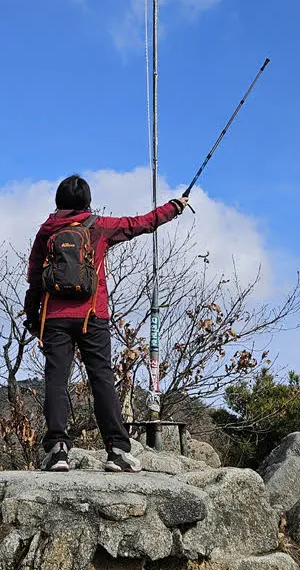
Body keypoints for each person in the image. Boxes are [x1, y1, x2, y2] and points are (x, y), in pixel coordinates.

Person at [24, 174, 188, 473]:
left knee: (56, 382)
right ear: (87, 202)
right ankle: (116, 451)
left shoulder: (47, 231)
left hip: (55, 320)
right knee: (102, 380)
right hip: (93, 316)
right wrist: (174, 207)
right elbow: (140, 223)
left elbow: (35, 278)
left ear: (58, 201)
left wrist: (33, 319)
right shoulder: (99, 227)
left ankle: (58, 450)